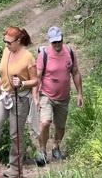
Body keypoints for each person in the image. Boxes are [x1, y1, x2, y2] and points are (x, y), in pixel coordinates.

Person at [0, 27, 38, 178]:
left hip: (20, 99)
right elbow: (3, 75)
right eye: (5, 41)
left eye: (9, 42)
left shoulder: (28, 57)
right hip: (4, 96)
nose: (6, 45)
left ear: (18, 41)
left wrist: (22, 84)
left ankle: (16, 168)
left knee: (15, 134)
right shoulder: (6, 52)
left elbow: (35, 81)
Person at [33, 25, 83, 165]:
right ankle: (42, 151)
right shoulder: (44, 55)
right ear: (50, 41)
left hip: (63, 96)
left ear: (62, 39)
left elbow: (75, 72)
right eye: (54, 42)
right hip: (46, 94)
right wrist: (35, 97)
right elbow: (37, 77)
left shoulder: (70, 52)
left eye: (59, 41)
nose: (57, 44)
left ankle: (56, 147)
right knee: (45, 123)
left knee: (60, 126)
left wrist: (80, 93)